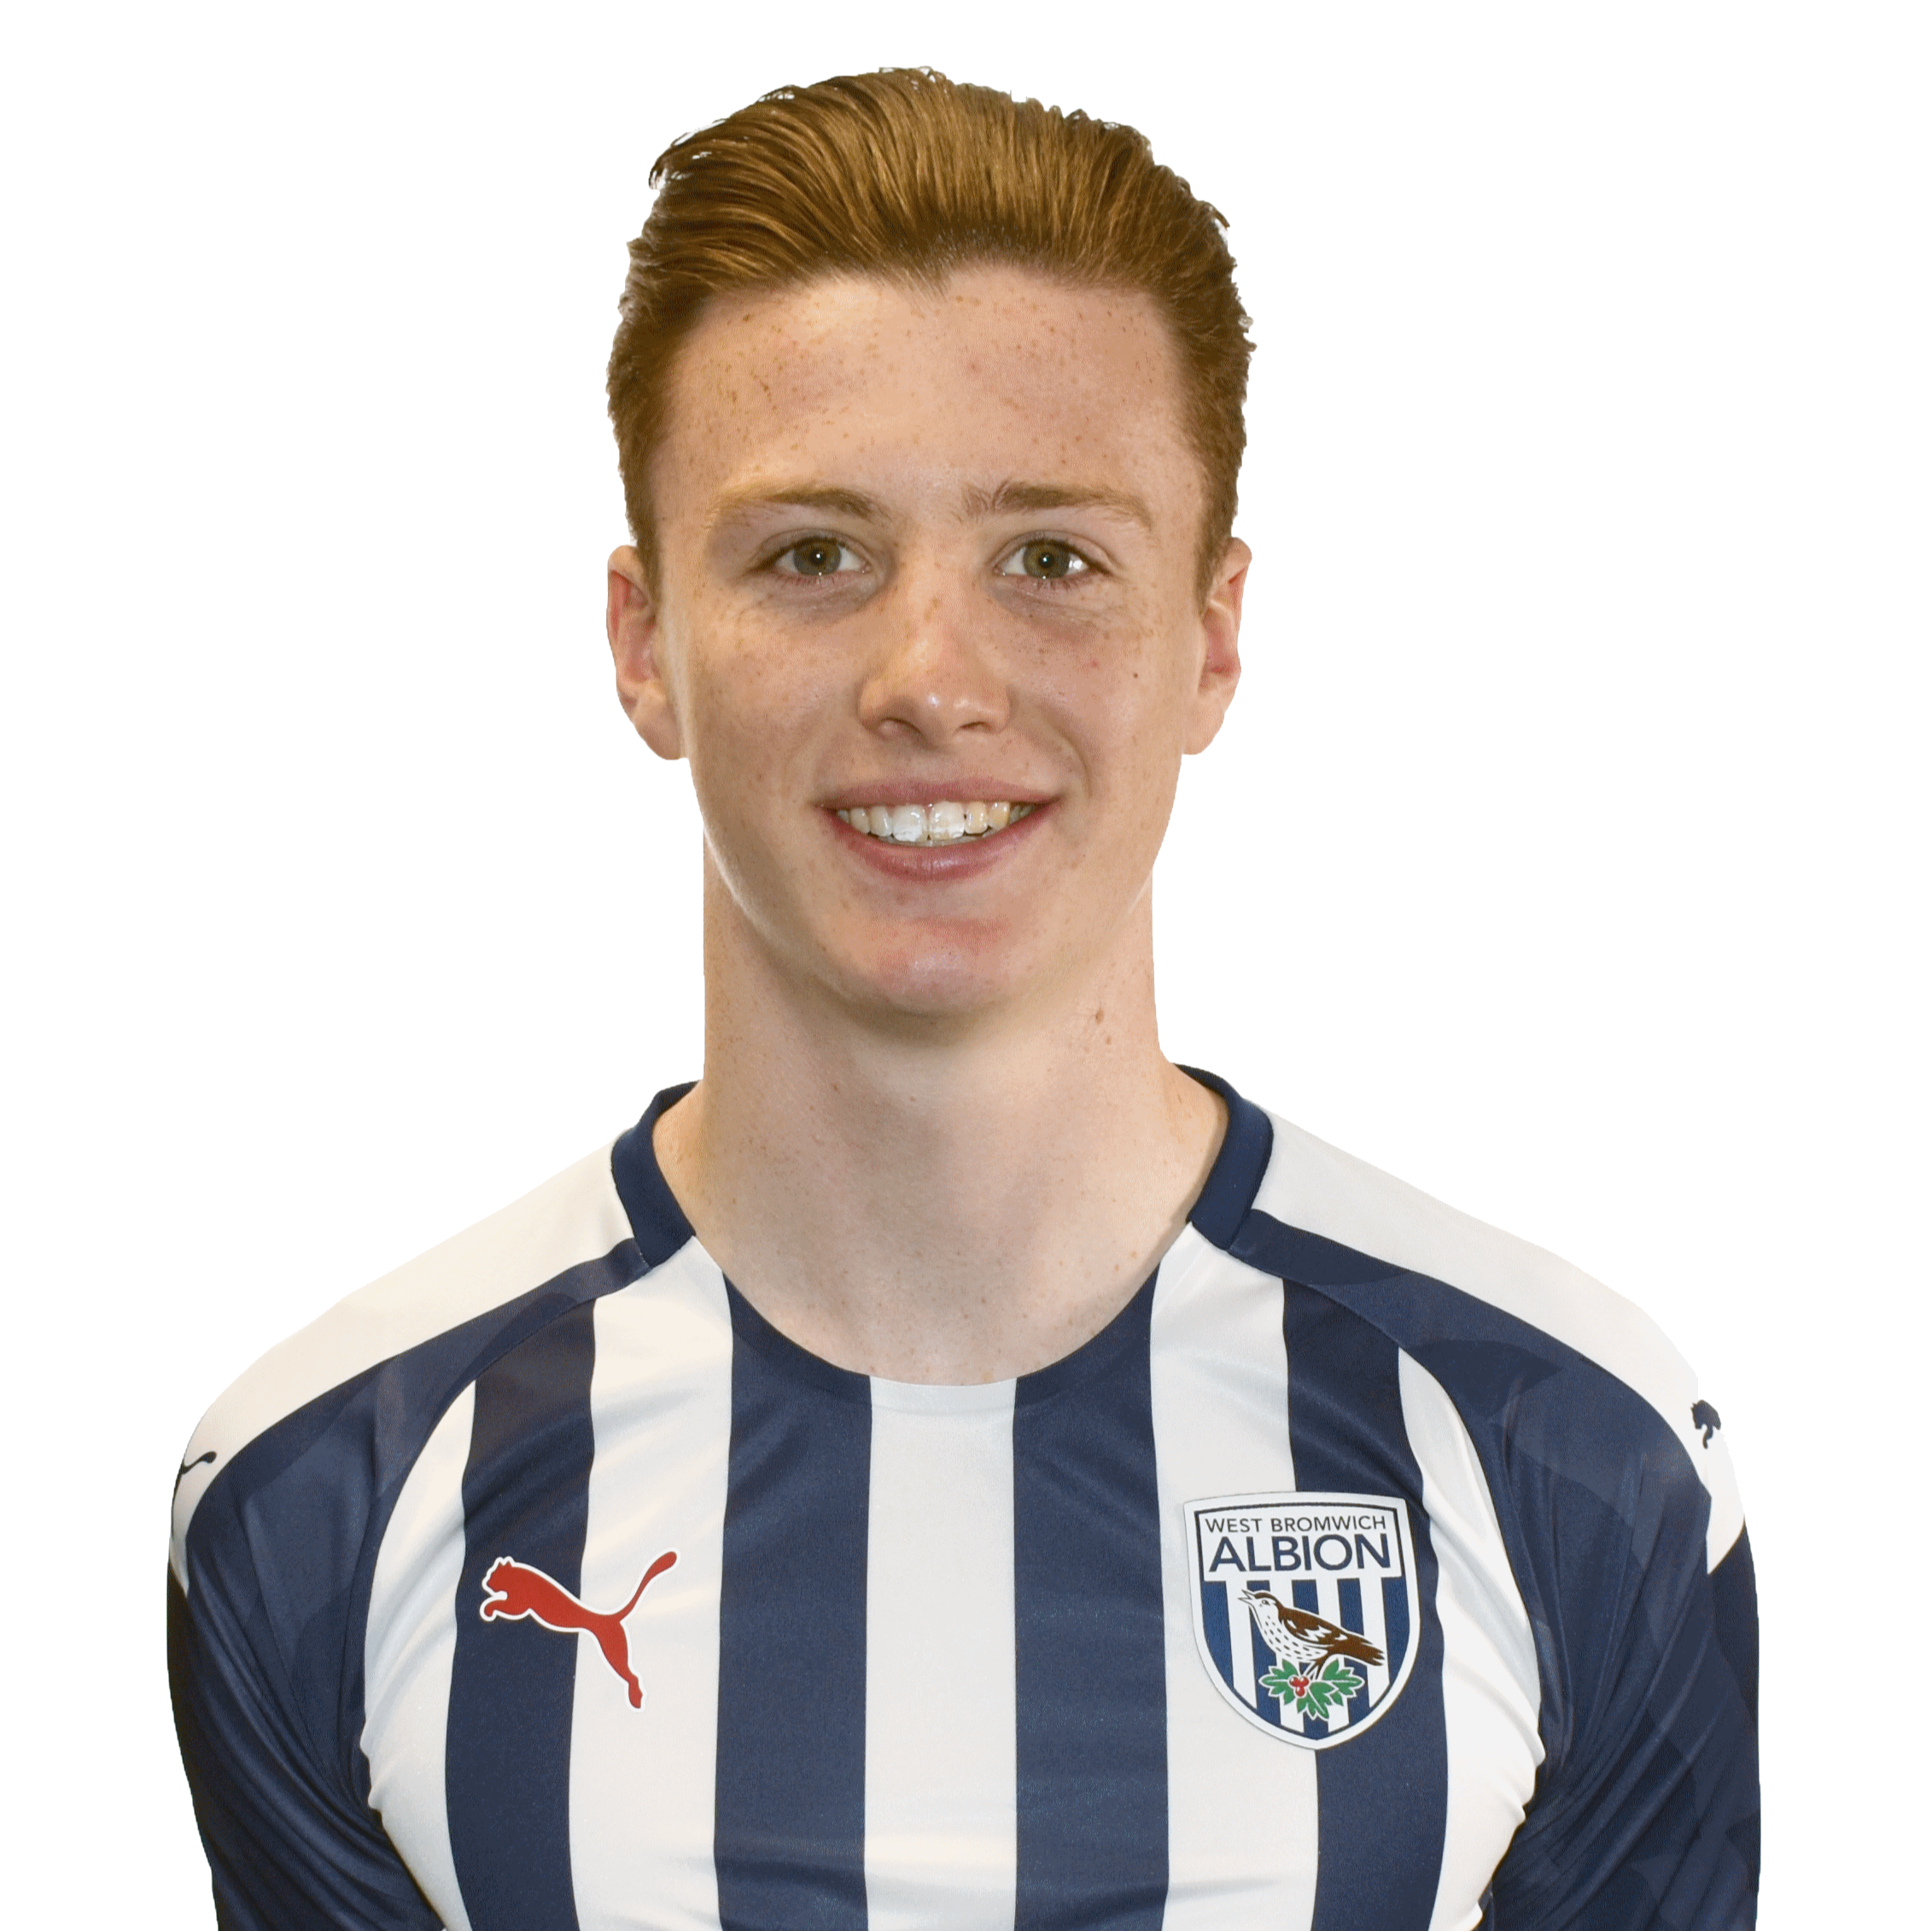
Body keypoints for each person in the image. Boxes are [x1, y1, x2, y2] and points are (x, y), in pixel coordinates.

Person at [168, 68, 1758, 1929]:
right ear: (644, 644)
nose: (931, 678)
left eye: (1051, 558)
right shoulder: (330, 1482)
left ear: (1213, 640)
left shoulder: (1567, 1438)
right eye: (812, 555)